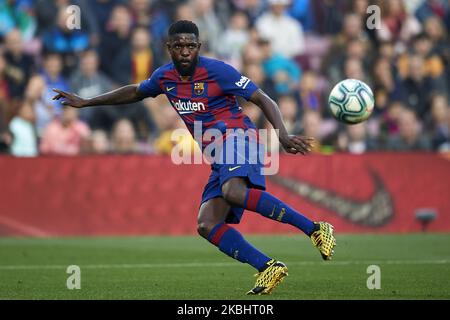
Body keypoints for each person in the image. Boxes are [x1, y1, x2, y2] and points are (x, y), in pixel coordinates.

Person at [52, 20, 336, 295]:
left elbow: (263, 99)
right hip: (217, 152)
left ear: (199, 46)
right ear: (168, 48)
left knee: (234, 191)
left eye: (190, 45)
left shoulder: (218, 71)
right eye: (178, 46)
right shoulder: (165, 77)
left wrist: (283, 134)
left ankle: (314, 229)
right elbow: (136, 92)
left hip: (238, 136)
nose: (185, 51)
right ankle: (268, 266)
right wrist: (87, 101)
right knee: (207, 223)